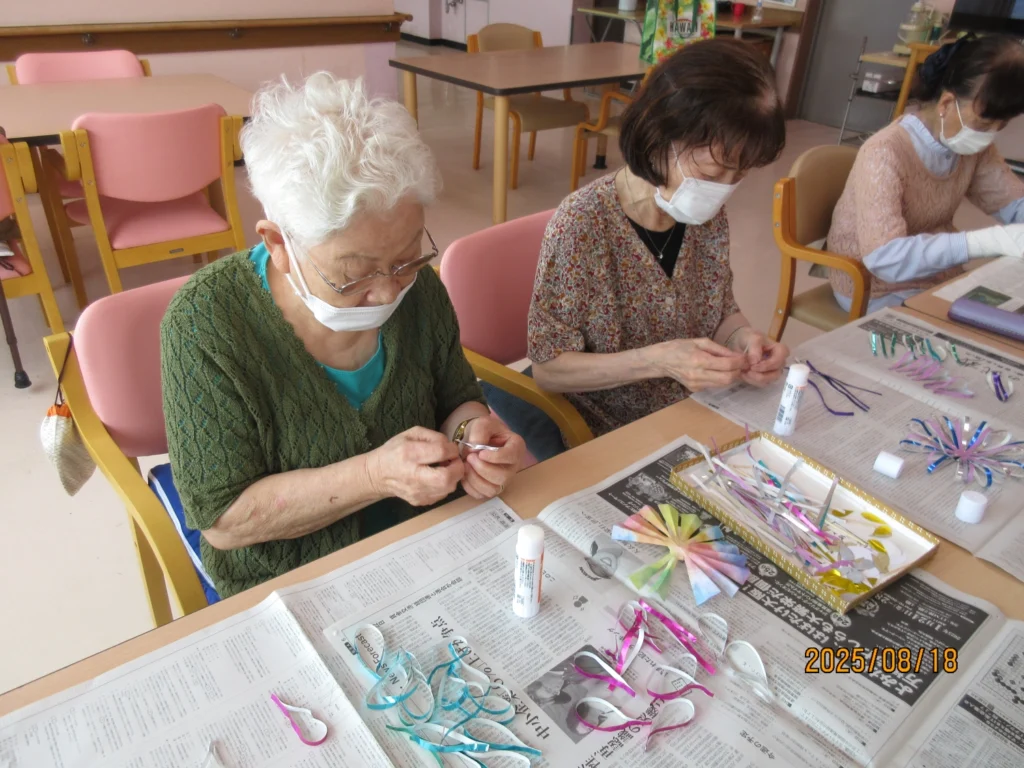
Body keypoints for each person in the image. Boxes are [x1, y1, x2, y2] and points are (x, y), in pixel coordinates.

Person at [161, 73, 525, 598]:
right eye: (354, 274)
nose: (387, 292)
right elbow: (223, 519)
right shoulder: (206, 323)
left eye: (406, 259)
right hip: (292, 578)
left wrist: (475, 436)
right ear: (279, 244)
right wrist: (374, 476)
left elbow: (457, 397)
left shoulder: (418, 290)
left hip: (428, 545)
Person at [526, 39, 789, 438]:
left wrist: (746, 341)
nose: (723, 190)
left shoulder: (706, 216)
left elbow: (719, 311)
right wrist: (659, 361)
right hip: (610, 426)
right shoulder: (583, 225)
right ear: (658, 135)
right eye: (713, 173)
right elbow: (548, 370)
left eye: (739, 175)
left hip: (696, 407)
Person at [828, 35, 1024, 314]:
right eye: (984, 123)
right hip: (874, 285)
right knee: (980, 330)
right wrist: (986, 242)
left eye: (1000, 125)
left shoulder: (973, 148)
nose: (990, 133)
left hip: (935, 276)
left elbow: (1012, 203)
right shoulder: (884, 152)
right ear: (946, 104)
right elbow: (885, 259)